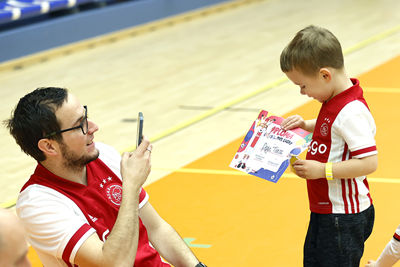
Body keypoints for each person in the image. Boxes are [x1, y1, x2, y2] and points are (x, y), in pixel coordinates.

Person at [5, 87, 207, 267]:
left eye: (86, 116)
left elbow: (157, 229)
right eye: (80, 125)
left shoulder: (103, 154)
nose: (93, 127)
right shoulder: (38, 204)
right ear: (49, 146)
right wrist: (131, 186)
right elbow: (115, 264)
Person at [279, 25, 378, 266]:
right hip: (326, 212)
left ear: (325, 75)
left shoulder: (351, 111)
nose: (303, 92)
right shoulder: (335, 100)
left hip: (342, 216)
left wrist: (322, 170)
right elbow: (330, 125)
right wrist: (305, 124)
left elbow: (369, 162)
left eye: (303, 85)